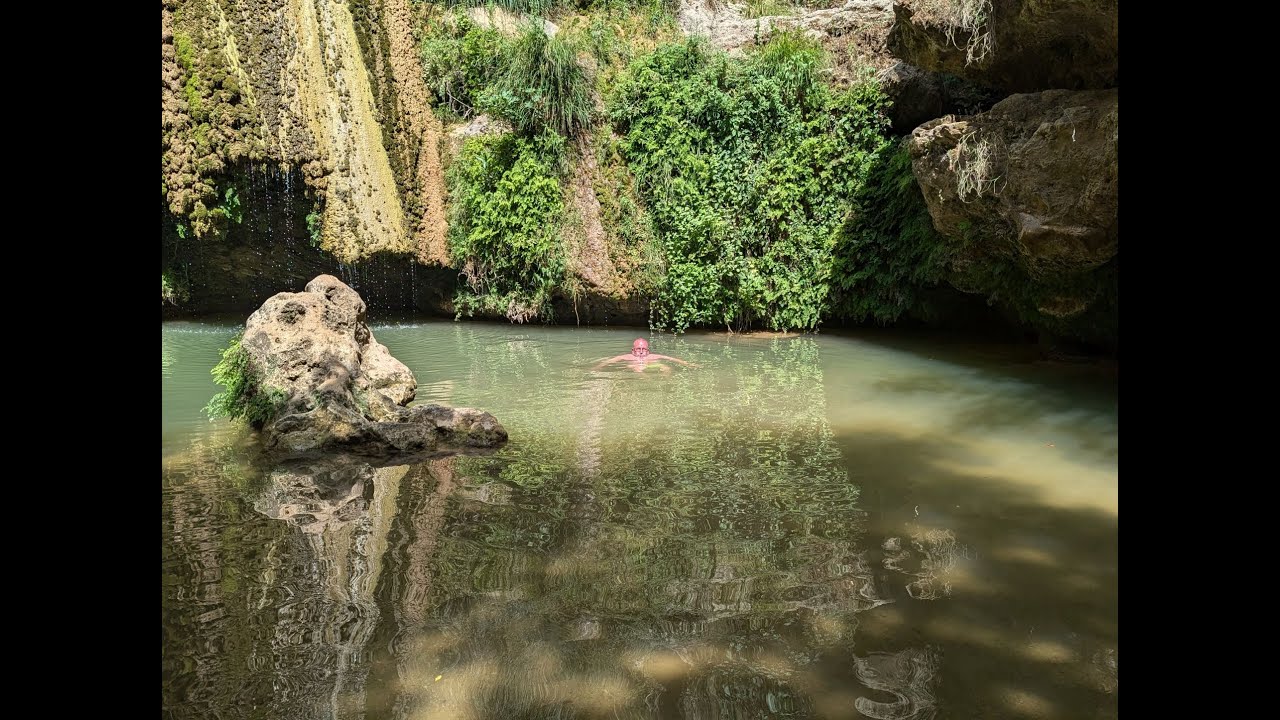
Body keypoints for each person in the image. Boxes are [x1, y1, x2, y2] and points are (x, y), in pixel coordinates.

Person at [592, 338, 696, 372]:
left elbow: (671, 358)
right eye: (638, 349)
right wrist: (596, 367)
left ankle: (664, 382)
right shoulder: (628, 357)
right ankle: (646, 380)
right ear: (633, 351)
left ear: (648, 351)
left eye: (643, 349)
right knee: (638, 369)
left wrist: (688, 364)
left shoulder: (652, 356)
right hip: (634, 367)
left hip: (651, 365)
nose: (641, 352)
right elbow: (610, 361)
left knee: (666, 368)